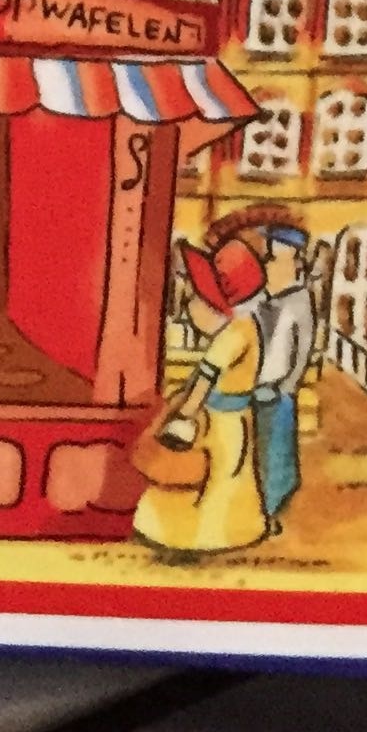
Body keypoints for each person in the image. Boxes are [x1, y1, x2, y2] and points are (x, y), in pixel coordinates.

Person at [133, 237, 270, 559]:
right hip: (234, 419)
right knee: (228, 477)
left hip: (221, 422)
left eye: (198, 299)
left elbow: (205, 380)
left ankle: (199, 537)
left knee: (214, 479)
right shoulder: (247, 329)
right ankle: (228, 530)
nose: (190, 307)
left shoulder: (232, 336)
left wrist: (184, 416)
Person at [249, 220, 319, 525]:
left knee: (274, 451)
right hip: (252, 383)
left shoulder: (301, 299)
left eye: (276, 255)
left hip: (279, 390)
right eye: (269, 255)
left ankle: (272, 508)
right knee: (254, 450)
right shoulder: (260, 295)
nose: (269, 261)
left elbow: (303, 348)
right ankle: (257, 508)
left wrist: (288, 385)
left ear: (292, 258)